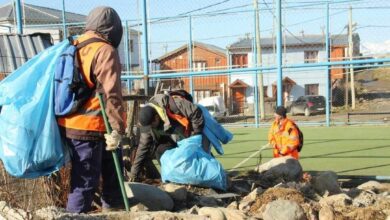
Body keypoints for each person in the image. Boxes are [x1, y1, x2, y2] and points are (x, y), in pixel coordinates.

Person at [56, 6, 125, 213]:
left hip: (70, 122)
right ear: (113, 29)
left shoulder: (74, 45)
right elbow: (111, 94)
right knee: (85, 184)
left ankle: (114, 212)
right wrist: (118, 129)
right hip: (92, 126)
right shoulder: (105, 51)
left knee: (109, 174)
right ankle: (77, 216)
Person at [129, 92, 206, 182]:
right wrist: (134, 174)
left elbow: (197, 113)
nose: (151, 129)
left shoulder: (175, 105)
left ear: (157, 117)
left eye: (152, 125)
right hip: (172, 138)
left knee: (200, 156)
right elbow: (143, 148)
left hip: (192, 131)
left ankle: (201, 178)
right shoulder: (147, 124)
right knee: (159, 151)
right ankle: (173, 177)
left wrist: (196, 136)